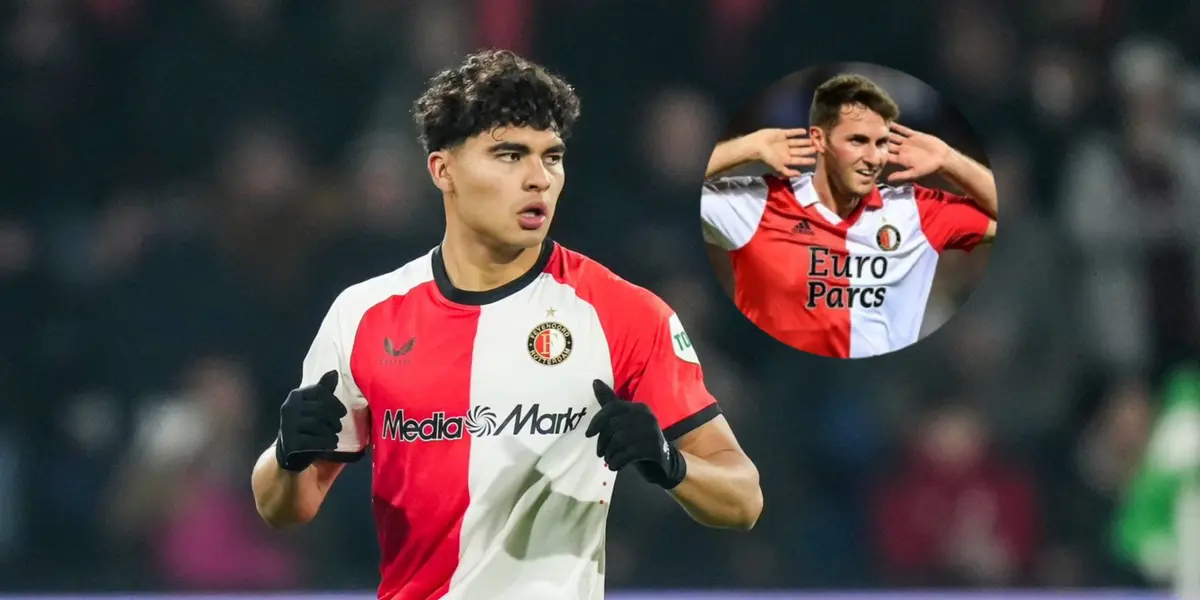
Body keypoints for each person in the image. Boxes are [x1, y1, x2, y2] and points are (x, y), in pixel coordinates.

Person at [250, 49, 762, 600]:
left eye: (552, 156)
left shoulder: (623, 314)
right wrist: (284, 456)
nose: (539, 179)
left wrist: (670, 464)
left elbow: (744, 499)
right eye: (510, 155)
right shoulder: (365, 314)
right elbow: (288, 506)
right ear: (443, 169)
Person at [701, 73, 997, 359]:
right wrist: (748, 147)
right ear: (819, 140)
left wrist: (949, 160)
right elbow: (683, 181)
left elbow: (1002, 214)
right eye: (857, 141)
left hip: (886, 389)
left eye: (880, 142)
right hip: (781, 385)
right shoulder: (761, 204)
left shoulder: (914, 209)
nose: (873, 158)